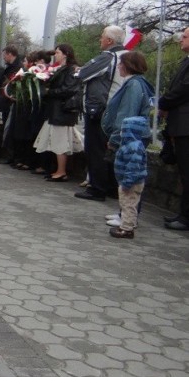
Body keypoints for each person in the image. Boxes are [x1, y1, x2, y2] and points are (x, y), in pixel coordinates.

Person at [99, 51, 154, 233]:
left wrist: (116, 137)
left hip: (129, 136)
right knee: (126, 176)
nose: (119, 67)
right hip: (132, 135)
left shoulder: (133, 85)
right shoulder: (136, 83)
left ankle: (128, 216)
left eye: (121, 64)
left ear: (127, 65)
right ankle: (124, 212)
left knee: (128, 176)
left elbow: (126, 113)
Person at [76, 25, 127, 202]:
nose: (100, 39)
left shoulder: (108, 57)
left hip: (101, 111)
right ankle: (112, 188)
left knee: (96, 150)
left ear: (110, 41)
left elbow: (82, 73)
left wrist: (79, 70)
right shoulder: (128, 56)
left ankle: (96, 189)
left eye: (102, 36)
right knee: (112, 149)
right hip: (120, 110)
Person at [33, 44, 83, 182]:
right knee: (54, 141)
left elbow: (68, 89)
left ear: (65, 54)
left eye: (58, 52)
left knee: (60, 142)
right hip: (55, 109)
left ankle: (61, 171)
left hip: (62, 110)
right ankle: (57, 169)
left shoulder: (71, 69)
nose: (56, 55)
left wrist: (49, 92)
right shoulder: (60, 68)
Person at [160, 27, 189, 231]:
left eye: (185, 37)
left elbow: (183, 89)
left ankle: (186, 217)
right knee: (184, 172)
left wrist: (164, 102)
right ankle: (183, 213)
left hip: (186, 126)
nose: (180, 40)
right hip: (180, 125)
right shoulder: (185, 61)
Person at [108, 116, 151, 239]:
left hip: (131, 183)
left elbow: (133, 168)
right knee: (126, 203)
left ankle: (127, 229)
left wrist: (127, 182)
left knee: (129, 205)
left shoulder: (134, 147)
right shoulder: (130, 145)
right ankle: (125, 224)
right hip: (126, 181)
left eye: (123, 129)